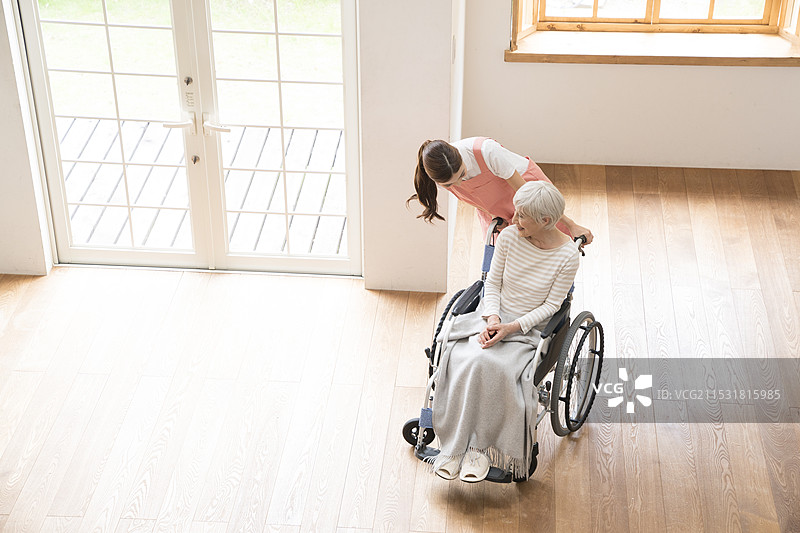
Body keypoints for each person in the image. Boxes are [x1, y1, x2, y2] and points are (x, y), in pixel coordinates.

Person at [431, 181, 581, 482]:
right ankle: (456, 446)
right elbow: (492, 283)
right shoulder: (510, 237)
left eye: (522, 215)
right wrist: (492, 319)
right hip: (492, 315)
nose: (514, 220)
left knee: (494, 367)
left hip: (529, 329)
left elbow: (553, 305)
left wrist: (511, 327)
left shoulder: (568, 257)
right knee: (464, 358)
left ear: (546, 222)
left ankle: (478, 449)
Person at [408, 137, 593, 243]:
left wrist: (571, 225)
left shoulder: (487, 152)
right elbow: (479, 199)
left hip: (527, 190)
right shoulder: (443, 172)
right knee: (504, 254)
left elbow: (534, 198)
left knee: (551, 245)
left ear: (461, 159)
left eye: (462, 174)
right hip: (495, 206)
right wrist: (500, 218)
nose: (458, 184)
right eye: (449, 185)